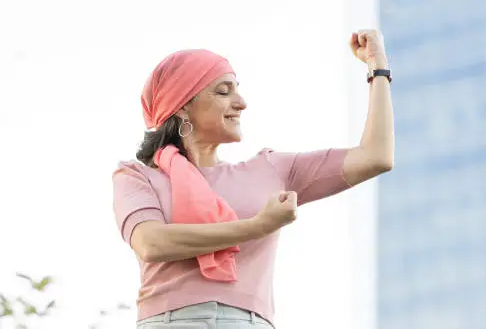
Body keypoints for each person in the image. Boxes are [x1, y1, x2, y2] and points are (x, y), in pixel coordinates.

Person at [112, 29, 394, 328]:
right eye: (223, 91)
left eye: (237, 90)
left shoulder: (271, 169)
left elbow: (376, 157)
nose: (241, 102)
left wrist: (377, 69)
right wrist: (258, 226)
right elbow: (152, 243)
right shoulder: (137, 176)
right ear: (182, 106)